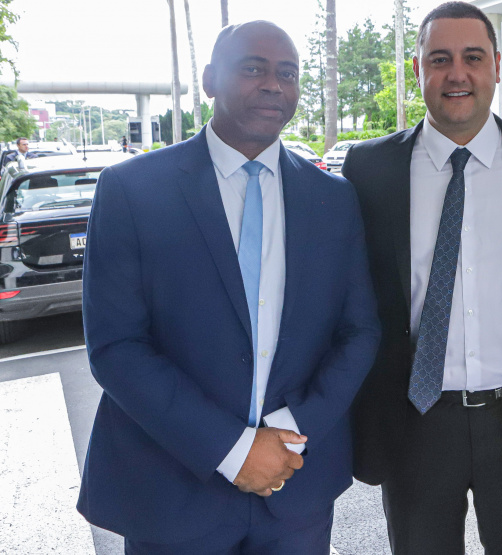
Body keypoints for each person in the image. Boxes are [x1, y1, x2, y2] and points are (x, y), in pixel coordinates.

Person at [77, 21, 380, 554]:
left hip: (296, 490)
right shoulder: (131, 190)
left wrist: (290, 431)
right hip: (173, 490)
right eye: (253, 68)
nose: (273, 84)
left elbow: (359, 332)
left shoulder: (334, 198)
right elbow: (115, 346)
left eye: (287, 73)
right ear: (210, 79)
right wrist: (232, 449)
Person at [342, 2, 502, 553]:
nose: (457, 74)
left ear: (497, 66)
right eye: (440, 58)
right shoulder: (369, 169)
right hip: (415, 419)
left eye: (473, 57)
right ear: (420, 68)